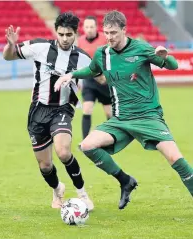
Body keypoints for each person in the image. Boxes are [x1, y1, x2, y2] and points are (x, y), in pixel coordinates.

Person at [54, 10, 193, 210]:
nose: (109, 37)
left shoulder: (141, 49)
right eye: (107, 33)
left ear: (124, 30)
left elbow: (171, 66)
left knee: (174, 158)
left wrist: (166, 57)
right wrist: (71, 74)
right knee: (87, 146)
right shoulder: (103, 53)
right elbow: (93, 70)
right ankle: (125, 181)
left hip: (148, 117)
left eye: (114, 33)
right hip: (120, 119)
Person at [3, 12, 94, 211]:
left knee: (63, 152)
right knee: (45, 166)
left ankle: (82, 193)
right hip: (38, 111)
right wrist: (11, 45)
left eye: (69, 34)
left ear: (75, 34)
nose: (64, 38)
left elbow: (102, 77)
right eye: (61, 34)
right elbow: (8, 57)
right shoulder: (40, 48)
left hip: (62, 109)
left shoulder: (83, 58)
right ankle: (57, 189)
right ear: (56, 32)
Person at [78, 16, 112, 139]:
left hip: (104, 81)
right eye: (87, 27)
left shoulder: (105, 39)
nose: (89, 29)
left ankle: (111, 138)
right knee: (87, 109)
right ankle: (85, 142)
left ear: (96, 27)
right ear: (83, 28)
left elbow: (112, 57)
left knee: (109, 112)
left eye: (92, 27)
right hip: (89, 81)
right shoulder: (80, 41)